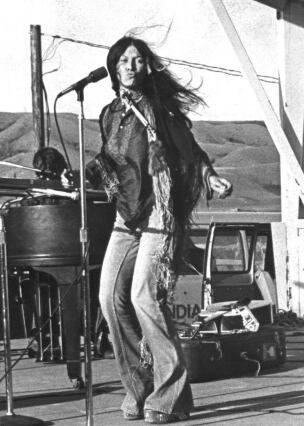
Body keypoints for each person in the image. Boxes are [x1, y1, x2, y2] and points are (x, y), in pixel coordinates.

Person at [86, 36, 232, 424]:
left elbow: (189, 149)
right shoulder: (108, 113)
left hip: (158, 213)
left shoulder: (159, 109)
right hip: (126, 216)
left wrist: (210, 176)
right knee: (108, 300)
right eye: (125, 60)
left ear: (146, 67)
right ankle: (141, 387)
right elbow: (111, 161)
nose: (132, 66)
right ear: (114, 68)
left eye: (138, 60)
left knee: (144, 298)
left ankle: (172, 397)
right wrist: (88, 172)